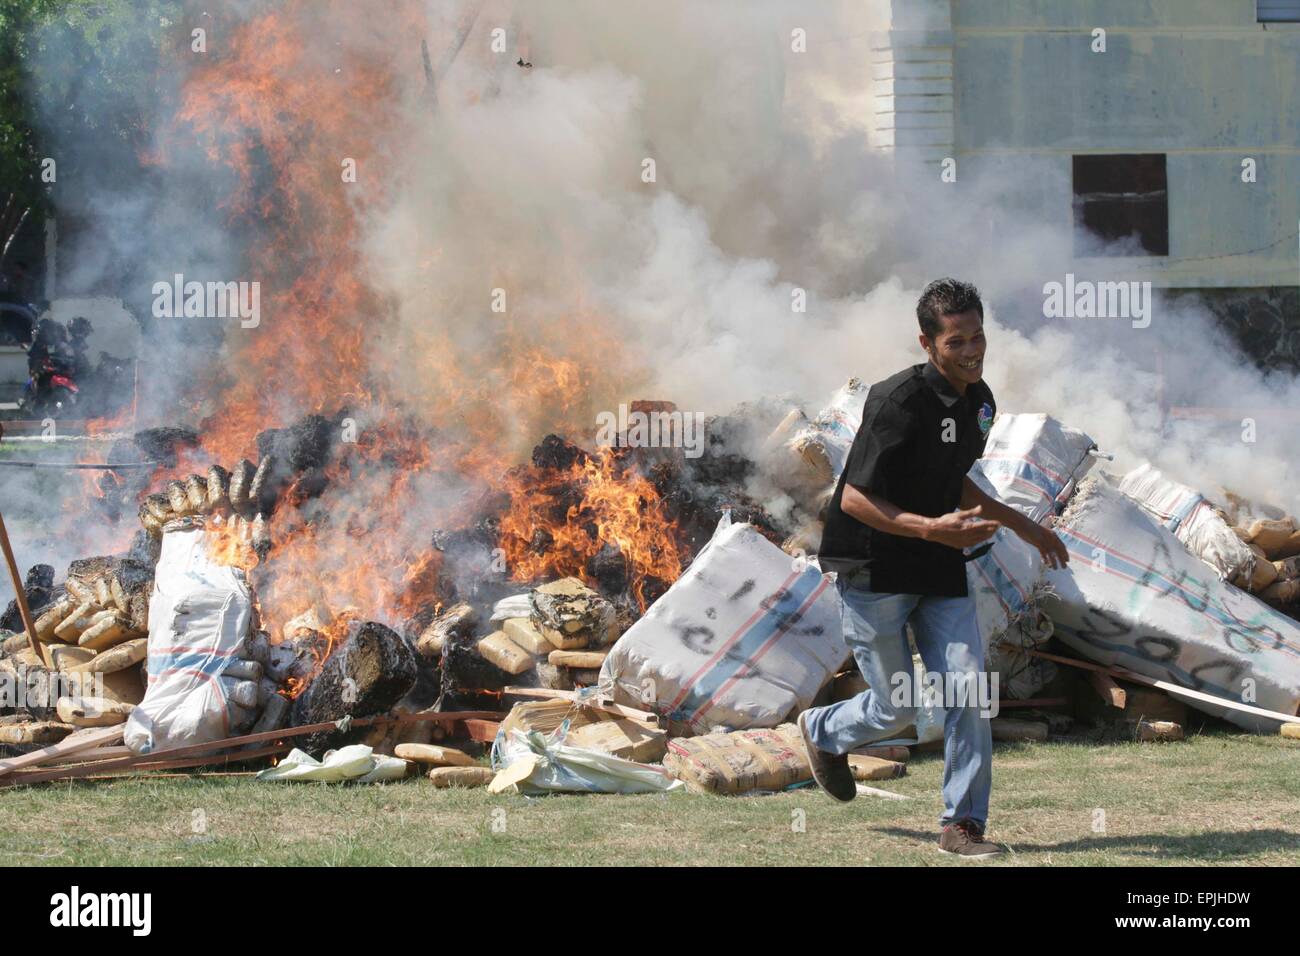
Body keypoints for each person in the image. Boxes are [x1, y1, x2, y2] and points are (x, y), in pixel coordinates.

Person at [798, 277, 1070, 859]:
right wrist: (930, 527)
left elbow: (955, 478)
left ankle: (962, 824)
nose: (971, 351)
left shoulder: (980, 402)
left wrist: (1026, 524)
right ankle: (824, 732)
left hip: (939, 567)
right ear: (927, 343)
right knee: (894, 707)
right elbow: (852, 498)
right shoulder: (896, 403)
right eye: (956, 342)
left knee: (968, 690)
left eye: (978, 337)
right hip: (875, 570)